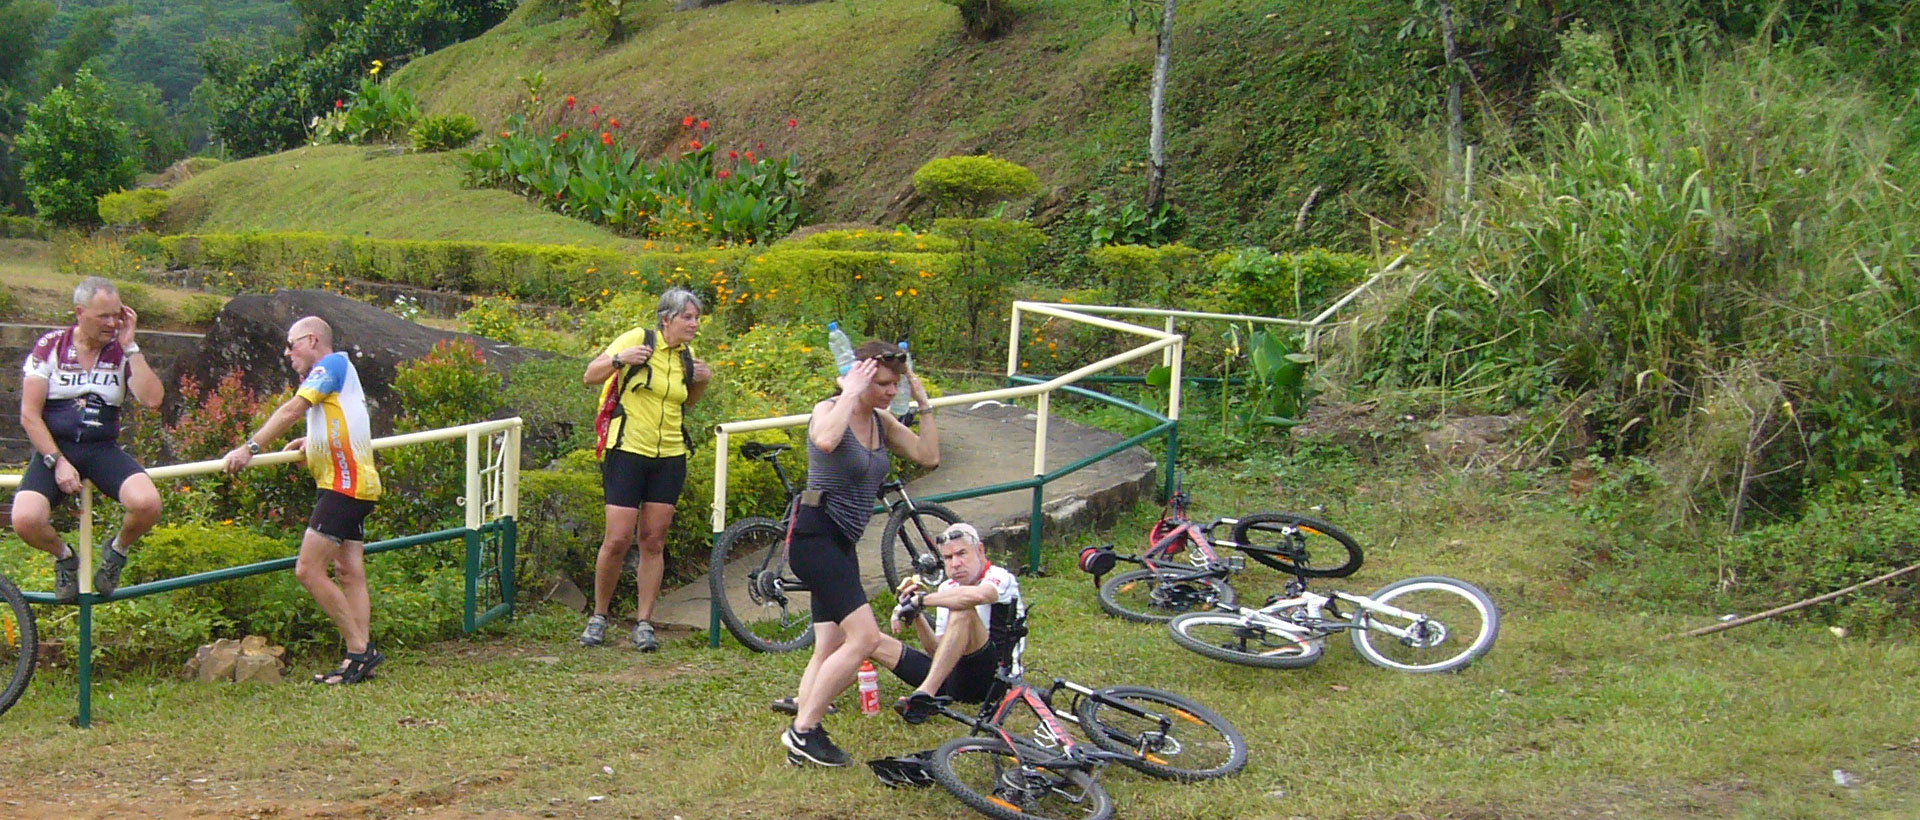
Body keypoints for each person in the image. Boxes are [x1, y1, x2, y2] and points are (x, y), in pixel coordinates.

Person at [781, 340, 940, 767]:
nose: (891, 392)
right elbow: (826, 440)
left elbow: (929, 457)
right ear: (863, 376)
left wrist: (923, 404)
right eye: (883, 383)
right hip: (815, 536)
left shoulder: (882, 421)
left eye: (896, 384)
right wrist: (850, 390)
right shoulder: (829, 409)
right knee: (866, 638)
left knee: (831, 642)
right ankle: (804, 732)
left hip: (841, 542)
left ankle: (804, 711)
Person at [221, 316, 384, 685]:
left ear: (311, 340)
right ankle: (360, 654)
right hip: (351, 482)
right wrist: (314, 441)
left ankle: (360, 650)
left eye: (291, 344)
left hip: (345, 485)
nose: (287, 352)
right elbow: (345, 416)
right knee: (349, 571)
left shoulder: (330, 364)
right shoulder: (340, 369)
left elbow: (292, 410)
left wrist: (250, 448)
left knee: (308, 569)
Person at [12, 277, 164, 602]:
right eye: (103, 316)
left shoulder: (122, 351)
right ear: (80, 312)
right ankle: (65, 557)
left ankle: (117, 550)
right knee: (25, 519)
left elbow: (153, 400)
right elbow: (29, 414)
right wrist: (57, 460)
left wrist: (131, 346)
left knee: (148, 504)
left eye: (117, 315)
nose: (112, 324)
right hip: (56, 448)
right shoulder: (51, 346)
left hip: (101, 448)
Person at [579, 288, 712, 652]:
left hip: (670, 454)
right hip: (627, 450)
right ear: (666, 318)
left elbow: (687, 403)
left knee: (654, 539)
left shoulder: (687, 356)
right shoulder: (639, 339)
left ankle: (644, 622)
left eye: (697, 318)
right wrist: (620, 358)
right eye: (688, 317)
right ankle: (599, 616)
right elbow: (590, 375)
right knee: (618, 538)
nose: (694, 324)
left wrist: (701, 381)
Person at [880, 522, 1026, 723]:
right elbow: (938, 651)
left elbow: (980, 595)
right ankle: (823, 709)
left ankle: (925, 694)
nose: (955, 563)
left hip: (996, 680)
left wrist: (921, 600)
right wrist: (917, 613)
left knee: (962, 607)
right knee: (871, 639)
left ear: (980, 550)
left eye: (961, 554)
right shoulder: (946, 589)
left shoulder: (999, 577)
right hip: (958, 679)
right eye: (948, 557)